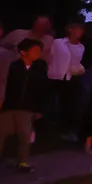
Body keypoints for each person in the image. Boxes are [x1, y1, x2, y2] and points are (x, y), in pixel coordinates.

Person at [0, 38, 50, 173]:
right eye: (34, 50)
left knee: (24, 135)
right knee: (2, 132)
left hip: (27, 107)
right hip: (9, 105)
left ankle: (22, 162)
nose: (38, 53)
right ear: (23, 52)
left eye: (39, 50)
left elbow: (42, 90)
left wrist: (39, 109)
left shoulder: (39, 68)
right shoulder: (13, 66)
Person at [46, 23, 86, 140]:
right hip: (54, 76)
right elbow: (50, 57)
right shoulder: (58, 43)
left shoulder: (81, 47)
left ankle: (65, 130)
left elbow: (76, 62)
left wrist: (79, 70)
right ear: (70, 29)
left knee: (68, 104)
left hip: (70, 78)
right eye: (78, 29)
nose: (80, 32)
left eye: (82, 30)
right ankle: (48, 128)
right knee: (52, 103)